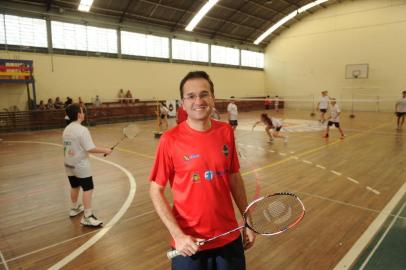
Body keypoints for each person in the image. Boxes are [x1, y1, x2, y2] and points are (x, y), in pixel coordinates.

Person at [149, 71, 255, 270]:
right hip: (189, 244)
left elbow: (234, 178)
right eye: (191, 96)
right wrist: (178, 235)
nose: (198, 100)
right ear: (183, 102)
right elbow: (155, 190)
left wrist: (247, 220)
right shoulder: (170, 140)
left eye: (204, 94)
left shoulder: (225, 132)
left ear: (213, 98)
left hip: (228, 238)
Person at [63, 103, 112, 227]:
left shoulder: (67, 129)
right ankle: (88, 216)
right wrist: (106, 150)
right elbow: (90, 148)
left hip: (68, 163)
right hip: (80, 165)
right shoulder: (82, 130)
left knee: (75, 186)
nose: (84, 113)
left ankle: (74, 208)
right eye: (82, 111)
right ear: (79, 114)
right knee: (88, 188)